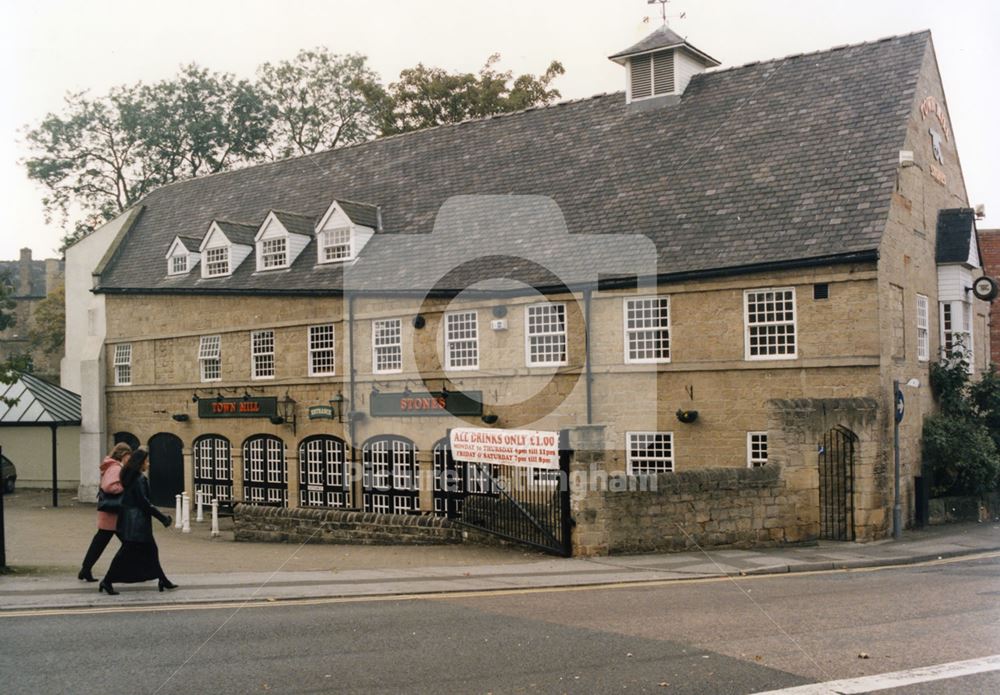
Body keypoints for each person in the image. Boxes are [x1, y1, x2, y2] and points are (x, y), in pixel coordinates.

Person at [99, 447, 176, 595]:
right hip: (137, 523)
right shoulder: (139, 479)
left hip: (129, 520)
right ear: (141, 463)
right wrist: (163, 518)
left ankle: (163, 580)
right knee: (126, 553)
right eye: (147, 461)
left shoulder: (129, 476)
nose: (149, 464)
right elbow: (144, 503)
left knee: (151, 551)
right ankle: (107, 581)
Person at [78, 443, 131, 582]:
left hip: (110, 514)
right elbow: (109, 486)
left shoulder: (112, 466)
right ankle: (134, 571)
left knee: (99, 543)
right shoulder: (115, 467)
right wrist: (125, 486)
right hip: (113, 514)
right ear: (124, 455)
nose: (129, 459)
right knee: (131, 543)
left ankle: (85, 569)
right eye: (128, 456)